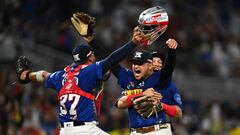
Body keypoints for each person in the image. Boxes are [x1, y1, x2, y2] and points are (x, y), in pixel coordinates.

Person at [16, 26, 144, 135]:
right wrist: (133, 42)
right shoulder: (88, 72)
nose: (94, 58)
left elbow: (44, 75)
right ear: (89, 57)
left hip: (65, 131)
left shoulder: (61, 76)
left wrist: (27, 75)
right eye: (93, 55)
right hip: (85, 129)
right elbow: (112, 59)